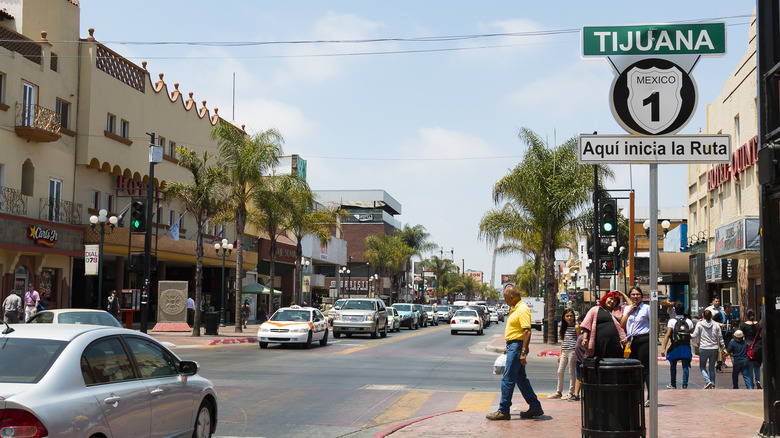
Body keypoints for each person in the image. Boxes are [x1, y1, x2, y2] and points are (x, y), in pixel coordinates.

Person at [486, 284, 543, 421]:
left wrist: (523, 352)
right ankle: (535, 406)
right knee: (521, 379)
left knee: (508, 379)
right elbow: (517, 331)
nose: (504, 300)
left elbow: (527, 331)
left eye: (505, 297)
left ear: (511, 297)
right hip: (514, 346)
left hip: (517, 347)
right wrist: (509, 344)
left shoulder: (522, 309)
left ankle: (503, 410)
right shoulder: (515, 308)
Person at [620, 286, 651, 405]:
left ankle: (649, 397)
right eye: (633, 294)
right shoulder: (627, 308)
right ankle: (636, 396)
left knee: (645, 369)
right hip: (631, 341)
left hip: (644, 339)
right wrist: (629, 312)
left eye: (638, 294)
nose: (635, 297)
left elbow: (655, 323)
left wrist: (655, 339)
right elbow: (622, 325)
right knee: (634, 369)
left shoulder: (647, 308)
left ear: (641, 296)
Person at [580, 291, 627, 359]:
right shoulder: (595, 309)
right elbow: (586, 326)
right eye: (610, 298)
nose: (612, 301)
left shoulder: (618, 311)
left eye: (615, 301)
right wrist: (584, 339)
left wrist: (622, 294)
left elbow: (631, 305)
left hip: (616, 345)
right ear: (605, 299)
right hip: (600, 345)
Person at [661, 301, 693, 389]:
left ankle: (673, 383)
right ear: (684, 310)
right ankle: (684, 385)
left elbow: (668, 335)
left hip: (675, 346)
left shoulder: (672, 321)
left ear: (674, 311)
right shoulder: (689, 321)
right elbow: (692, 333)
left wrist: (664, 348)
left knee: (673, 364)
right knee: (685, 366)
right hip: (686, 346)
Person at [692, 309, 724, 389]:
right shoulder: (716, 325)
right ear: (711, 316)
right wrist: (723, 345)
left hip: (703, 348)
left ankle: (707, 381)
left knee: (702, 366)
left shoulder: (699, 324)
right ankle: (712, 385)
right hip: (714, 348)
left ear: (703, 316)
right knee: (712, 368)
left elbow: (695, 335)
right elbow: (720, 336)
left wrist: (687, 334)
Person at [550, 309, 577, 400]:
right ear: (564, 318)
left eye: (571, 316)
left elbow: (578, 340)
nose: (569, 318)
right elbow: (563, 341)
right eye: (567, 316)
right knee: (560, 371)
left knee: (571, 372)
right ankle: (559, 392)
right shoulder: (563, 327)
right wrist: (560, 353)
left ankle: (571, 393)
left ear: (574, 317)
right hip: (564, 352)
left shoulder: (576, 327)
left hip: (573, 351)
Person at [739, 309, 762, 389]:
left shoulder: (743, 325)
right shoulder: (759, 324)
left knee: (750, 366)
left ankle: (751, 384)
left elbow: (739, 335)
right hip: (758, 347)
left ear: (746, 316)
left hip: (748, 347)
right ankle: (758, 381)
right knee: (757, 366)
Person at [569, 313, 587, 402]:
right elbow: (577, 336)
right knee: (578, 376)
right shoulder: (581, 333)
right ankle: (576, 394)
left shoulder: (588, 333)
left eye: (582, 323)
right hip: (578, 358)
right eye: (579, 323)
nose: (580, 325)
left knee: (585, 377)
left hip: (585, 358)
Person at [713, 302, 734, 372]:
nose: (732, 309)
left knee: (732, 351)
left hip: (729, 336)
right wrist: (720, 324)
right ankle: (718, 366)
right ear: (727, 308)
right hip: (721, 336)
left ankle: (736, 365)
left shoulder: (730, 316)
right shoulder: (719, 314)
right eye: (731, 307)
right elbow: (712, 320)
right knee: (720, 352)